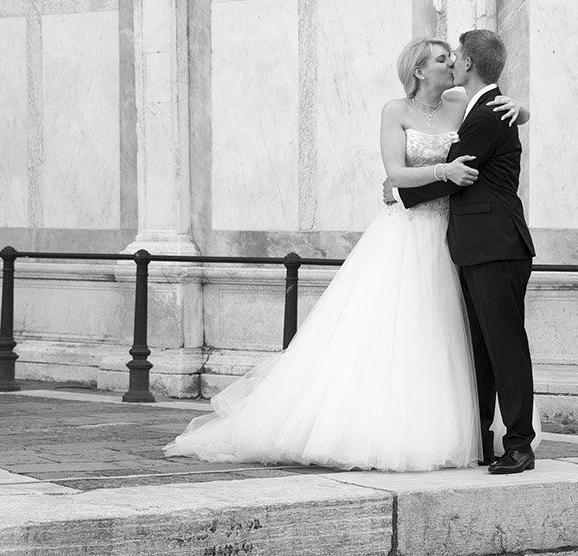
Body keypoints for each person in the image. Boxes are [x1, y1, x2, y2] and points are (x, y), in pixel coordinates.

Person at [164, 37, 528, 471]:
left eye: (453, 57)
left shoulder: (464, 105)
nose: (450, 62)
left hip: (457, 234)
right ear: (418, 70)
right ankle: (418, 431)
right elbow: (398, 170)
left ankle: (480, 435)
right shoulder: (396, 111)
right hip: (412, 236)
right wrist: (424, 177)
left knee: (465, 342)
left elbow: (488, 129)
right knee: (406, 333)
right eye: (440, 58)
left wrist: (521, 109)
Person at [396, 29, 538, 474]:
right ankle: (482, 438)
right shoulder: (483, 109)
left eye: (455, 55)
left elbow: (457, 176)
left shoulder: (489, 115)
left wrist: (397, 188)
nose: (452, 61)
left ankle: (519, 445)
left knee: (505, 346)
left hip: (497, 245)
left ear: (470, 64)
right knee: (480, 349)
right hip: (477, 246)